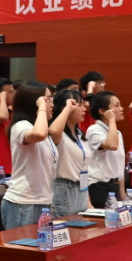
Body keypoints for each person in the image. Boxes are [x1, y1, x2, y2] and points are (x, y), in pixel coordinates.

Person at [1, 82, 60, 228]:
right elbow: (39, 134)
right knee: (23, 243)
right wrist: (42, 108)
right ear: (34, 103)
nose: (52, 104)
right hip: (23, 202)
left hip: (43, 201)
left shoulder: (42, 129)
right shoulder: (21, 125)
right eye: (47, 99)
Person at [50, 89, 89, 217]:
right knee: (66, 228)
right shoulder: (59, 134)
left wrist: (88, 201)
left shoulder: (80, 134)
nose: (84, 109)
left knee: (82, 228)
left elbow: (84, 168)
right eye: (79, 105)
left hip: (82, 187)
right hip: (64, 189)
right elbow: (53, 131)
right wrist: (67, 109)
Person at [84, 91, 126, 207]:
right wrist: (111, 120)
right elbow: (112, 145)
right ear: (103, 111)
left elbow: (119, 164)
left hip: (114, 185)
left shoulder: (117, 133)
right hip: (99, 187)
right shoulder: (94, 130)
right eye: (117, 105)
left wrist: (122, 194)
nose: (121, 109)